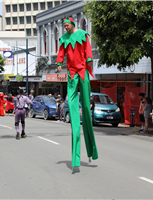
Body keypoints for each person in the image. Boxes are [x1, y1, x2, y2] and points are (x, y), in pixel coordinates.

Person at [56, 16, 98, 170]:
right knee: (73, 111)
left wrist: (89, 60)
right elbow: (61, 52)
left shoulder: (82, 34)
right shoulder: (64, 38)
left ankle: (91, 149)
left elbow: (87, 49)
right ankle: (75, 159)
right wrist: (59, 63)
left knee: (86, 108)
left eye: (67, 25)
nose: (65, 28)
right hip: (72, 74)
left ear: (72, 24)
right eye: (64, 26)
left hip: (83, 71)